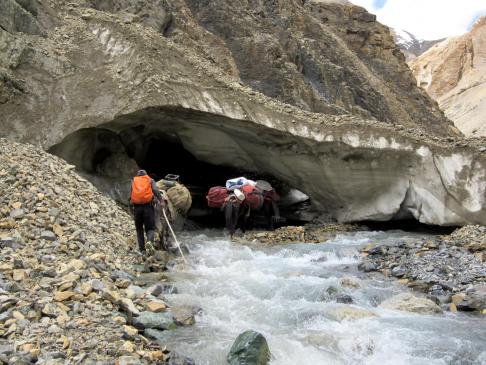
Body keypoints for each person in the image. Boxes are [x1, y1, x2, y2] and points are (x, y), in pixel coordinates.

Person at [129, 170, 163, 255]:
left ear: (138, 175)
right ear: (146, 175)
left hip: (137, 208)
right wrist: (161, 200)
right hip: (148, 207)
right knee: (150, 228)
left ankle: (142, 250)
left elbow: (131, 195)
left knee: (139, 229)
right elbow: (155, 190)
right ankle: (149, 242)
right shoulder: (150, 180)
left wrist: (131, 208)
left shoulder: (134, 181)